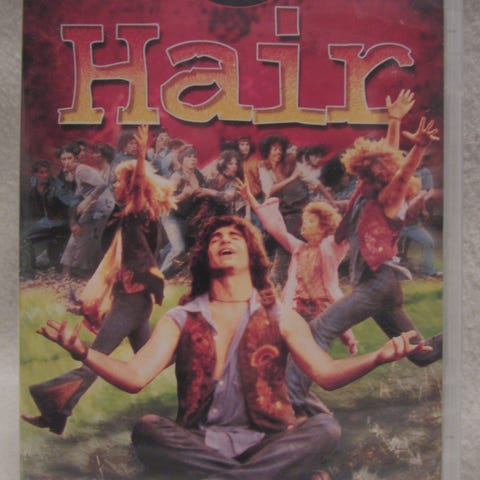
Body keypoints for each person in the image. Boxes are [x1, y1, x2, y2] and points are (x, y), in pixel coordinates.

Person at [34, 214, 431, 480]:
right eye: (215, 238)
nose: (224, 240)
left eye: (234, 236)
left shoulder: (281, 317)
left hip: (270, 440)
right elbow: (136, 377)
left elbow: (325, 374)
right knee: (148, 428)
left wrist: (378, 357)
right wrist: (85, 353)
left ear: (250, 254)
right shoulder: (181, 318)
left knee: (325, 427)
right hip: (199, 441)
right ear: (205, 257)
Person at [286, 90, 444, 416]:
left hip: (378, 285)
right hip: (377, 288)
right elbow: (387, 154)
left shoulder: (389, 199)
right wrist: (394, 122)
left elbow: (401, 172)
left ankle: (291, 402)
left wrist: (417, 147)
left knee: (319, 329)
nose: (360, 174)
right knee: (421, 353)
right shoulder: (363, 192)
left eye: (367, 170)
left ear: (378, 172)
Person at [22, 125, 174, 435]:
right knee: (150, 358)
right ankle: (192, 352)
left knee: (94, 358)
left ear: (132, 186)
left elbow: (139, 188)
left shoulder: (139, 214)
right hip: (131, 299)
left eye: (120, 181)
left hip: (133, 302)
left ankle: (53, 406)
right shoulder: (126, 216)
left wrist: (141, 157)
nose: (115, 184)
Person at [58, 142, 115, 278]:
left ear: (76, 158)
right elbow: (78, 194)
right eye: (63, 159)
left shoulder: (81, 170)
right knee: (80, 234)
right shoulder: (75, 172)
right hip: (97, 205)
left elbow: (102, 184)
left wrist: (87, 201)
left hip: (103, 205)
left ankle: (80, 270)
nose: (66, 162)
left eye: (69, 158)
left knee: (88, 236)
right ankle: (70, 269)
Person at [20, 159, 75, 276]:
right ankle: (28, 270)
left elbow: (73, 203)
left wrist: (71, 221)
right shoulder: (33, 182)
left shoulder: (57, 186)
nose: (45, 175)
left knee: (25, 238)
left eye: (47, 172)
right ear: (34, 174)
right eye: (41, 172)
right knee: (24, 238)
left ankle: (27, 272)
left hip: (60, 222)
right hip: (46, 221)